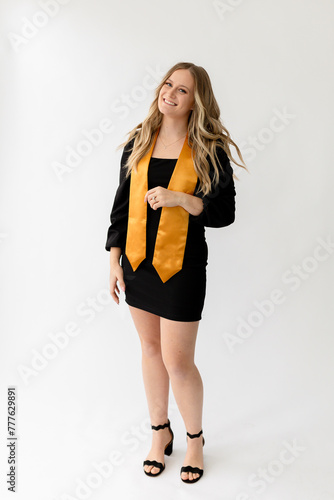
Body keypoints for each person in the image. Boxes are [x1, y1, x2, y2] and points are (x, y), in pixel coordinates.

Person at [105, 61, 246, 484]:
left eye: (182, 90)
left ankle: (196, 440)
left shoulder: (208, 148)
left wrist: (181, 199)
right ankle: (159, 432)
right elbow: (121, 204)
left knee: (178, 361)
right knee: (150, 351)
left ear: (195, 101)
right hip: (136, 263)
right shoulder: (140, 140)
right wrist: (113, 258)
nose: (171, 93)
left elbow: (225, 213)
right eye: (168, 84)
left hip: (182, 266)